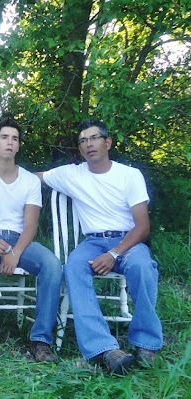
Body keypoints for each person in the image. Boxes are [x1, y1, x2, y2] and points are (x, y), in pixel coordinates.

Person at [37, 119, 163, 375]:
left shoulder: (129, 175)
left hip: (128, 241)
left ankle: (146, 344)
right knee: (73, 266)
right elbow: (29, 177)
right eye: (83, 141)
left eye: (94, 138)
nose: (89, 144)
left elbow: (142, 227)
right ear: (80, 148)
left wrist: (114, 253)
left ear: (108, 143)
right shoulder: (72, 174)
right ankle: (105, 349)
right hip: (93, 242)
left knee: (143, 266)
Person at [0, 118, 63, 363]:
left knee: (52, 265)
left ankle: (41, 340)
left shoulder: (29, 180)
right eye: (5, 137)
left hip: (21, 240)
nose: (10, 142)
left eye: (15, 138)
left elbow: (31, 225)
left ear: (18, 146)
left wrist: (15, 252)